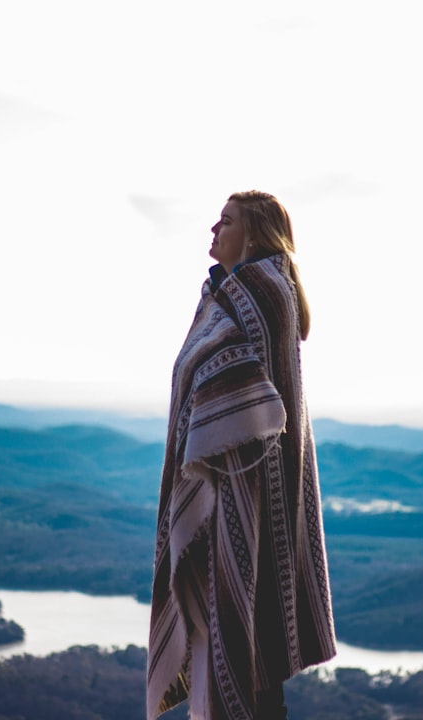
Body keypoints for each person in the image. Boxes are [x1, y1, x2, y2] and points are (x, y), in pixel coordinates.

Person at [147, 191, 337, 720]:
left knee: (245, 642)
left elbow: (233, 388)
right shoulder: (239, 293)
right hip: (239, 487)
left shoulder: (257, 291)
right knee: (248, 648)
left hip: (241, 490)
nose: (213, 227)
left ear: (253, 233)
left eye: (226, 220)